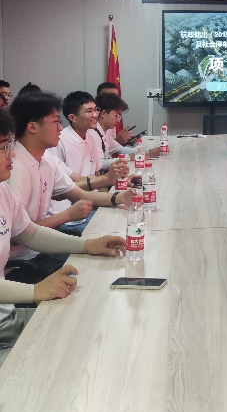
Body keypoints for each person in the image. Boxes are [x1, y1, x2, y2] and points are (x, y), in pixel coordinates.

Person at [0, 108, 125, 367]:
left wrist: (86, 245)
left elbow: (30, 232)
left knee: (92, 326)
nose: (11, 154)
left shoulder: (2, 190)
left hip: (8, 318)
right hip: (9, 316)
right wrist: (35, 291)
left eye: (9, 145)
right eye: (3, 147)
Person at [6, 92, 135, 272]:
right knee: (101, 267)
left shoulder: (45, 160)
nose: (60, 128)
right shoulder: (14, 168)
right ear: (32, 127)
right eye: (56, 122)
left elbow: (77, 193)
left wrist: (119, 198)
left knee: (108, 249)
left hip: (42, 245)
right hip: (23, 260)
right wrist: (67, 216)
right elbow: (18, 235)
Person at [49, 91, 129, 234]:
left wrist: (112, 184)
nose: (95, 115)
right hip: (68, 212)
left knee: (126, 216)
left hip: (89, 201)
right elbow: (66, 186)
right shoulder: (60, 140)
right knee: (117, 228)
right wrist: (108, 185)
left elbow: (96, 173)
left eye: (95, 110)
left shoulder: (91, 136)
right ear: (72, 117)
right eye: (89, 111)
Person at [96, 82, 134, 146]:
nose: (112, 99)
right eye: (108, 96)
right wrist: (118, 140)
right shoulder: (93, 130)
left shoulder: (110, 121)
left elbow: (114, 147)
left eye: (115, 96)